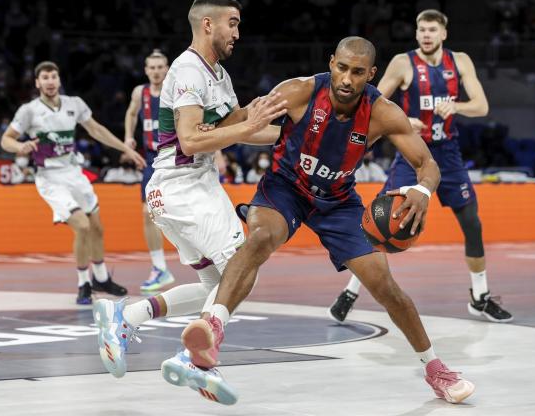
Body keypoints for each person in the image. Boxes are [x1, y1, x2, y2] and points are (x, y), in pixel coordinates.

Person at [179, 36, 475, 405]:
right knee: (258, 239)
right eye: (341, 68)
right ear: (331, 62)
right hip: (286, 187)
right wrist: (211, 131)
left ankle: (435, 370)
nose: (347, 79)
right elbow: (242, 120)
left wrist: (423, 191)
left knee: (386, 287)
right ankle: (214, 326)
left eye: (357, 72)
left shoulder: (384, 113)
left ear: (371, 74)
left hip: (338, 202)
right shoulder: (298, 91)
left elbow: (426, 164)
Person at [92, 0, 286, 403]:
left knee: (216, 284)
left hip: (181, 191)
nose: (238, 32)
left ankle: (126, 318)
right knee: (241, 266)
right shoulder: (187, 70)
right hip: (184, 187)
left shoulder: (219, 76)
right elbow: (192, 139)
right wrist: (249, 124)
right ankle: (191, 360)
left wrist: (295, 135)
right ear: (208, 24)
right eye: (232, 23)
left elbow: (241, 127)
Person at [330, 10, 513, 324]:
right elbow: (372, 100)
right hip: (413, 154)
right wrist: (401, 118)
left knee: (472, 224)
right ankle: (350, 291)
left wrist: (456, 105)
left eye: (432, 30)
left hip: (449, 154)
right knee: (383, 223)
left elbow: (481, 106)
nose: (426, 35)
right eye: (421, 30)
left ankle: (480, 297)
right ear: (416, 34)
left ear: (443, 33)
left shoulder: (461, 61)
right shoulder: (403, 63)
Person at [1, 61, 146, 304]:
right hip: (50, 178)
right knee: (82, 225)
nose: (49, 81)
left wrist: (126, 150)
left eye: (53, 76)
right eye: (45, 77)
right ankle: (83, 283)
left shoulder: (74, 104)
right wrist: (20, 146)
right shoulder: (29, 111)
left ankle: (101, 278)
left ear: (59, 80)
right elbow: (6, 140)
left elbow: (97, 130)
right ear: (37, 83)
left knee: (97, 227)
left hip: (74, 173)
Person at [123, 50, 175, 291]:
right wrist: (128, 137)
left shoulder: (176, 89)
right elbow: (132, 113)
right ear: (146, 70)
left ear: (167, 68)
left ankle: (212, 259)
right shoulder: (139, 92)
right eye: (152, 67)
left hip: (177, 158)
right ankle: (160, 268)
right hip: (152, 159)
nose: (156, 71)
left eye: (160, 67)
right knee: (147, 212)